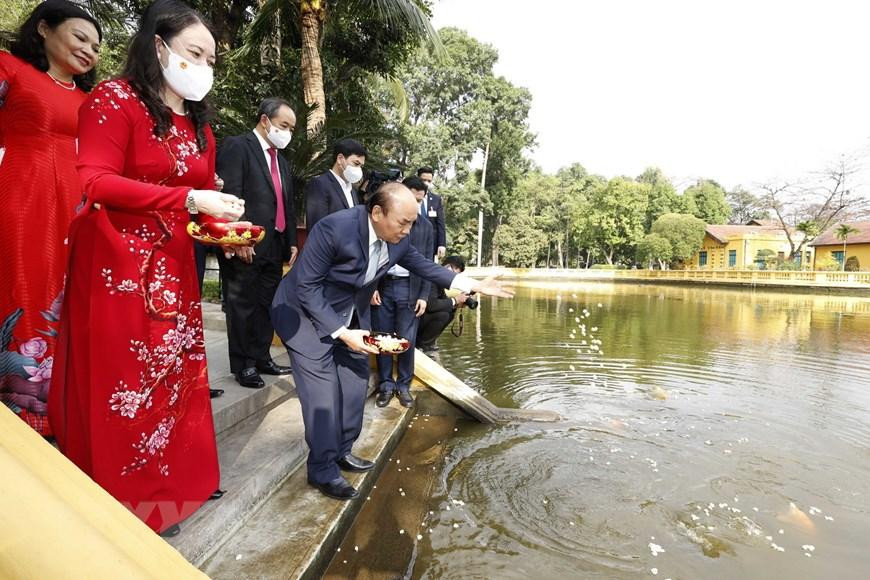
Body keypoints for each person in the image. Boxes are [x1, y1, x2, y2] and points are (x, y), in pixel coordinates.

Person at [48, 0, 245, 537]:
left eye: (210, 59)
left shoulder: (197, 122)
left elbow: (194, 193)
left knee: (174, 377)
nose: (203, 66)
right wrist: (189, 200)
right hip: (119, 263)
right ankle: (129, 498)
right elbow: (93, 181)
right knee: (127, 379)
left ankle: (173, 485)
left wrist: (219, 222)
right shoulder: (114, 100)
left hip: (175, 265)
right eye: (194, 53)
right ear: (159, 46)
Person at [271, 182, 513, 500]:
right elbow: (306, 287)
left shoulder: (397, 239)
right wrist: (342, 333)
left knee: (356, 386)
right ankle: (322, 470)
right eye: (403, 222)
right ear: (376, 212)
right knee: (323, 399)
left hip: (346, 318)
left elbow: (425, 267)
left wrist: (472, 285)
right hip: (301, 317)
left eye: (412, 222)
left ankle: (341, 451)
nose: (408, 230)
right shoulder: (335, 229)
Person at [0, 0, 102, 436]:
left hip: (75, 210)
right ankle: (20, 415)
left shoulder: (90, 99)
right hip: (22, 202)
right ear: (43, 28)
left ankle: (57, 410)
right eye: (81, 37)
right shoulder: (10, 69)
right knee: (24, 289)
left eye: (96, 47)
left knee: (69, 302)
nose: (89, 51)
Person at [216, 97, 298, 388]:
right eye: (283, 125)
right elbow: (231, 198)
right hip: (245, 244)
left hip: (274, 245)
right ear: (265, 120)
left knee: (266, 305)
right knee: (242, 305)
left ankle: (262, 356)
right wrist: (239, 237)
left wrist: (290, 241)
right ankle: (243, 365)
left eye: (291, 128)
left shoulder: (283, 163)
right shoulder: (238, 147)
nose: (287, 132)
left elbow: (286, 204)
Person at [371, 177, 432, 408]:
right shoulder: (386, 220)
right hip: (384, 285)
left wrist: (424, 295)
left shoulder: (425, 226)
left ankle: (403, 385)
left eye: (419, 200)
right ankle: (386, 385)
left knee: (407, 339)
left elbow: (427, 261)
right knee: (383, 338)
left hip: (410, 288)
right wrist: (372, 287)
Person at [304, 138, 366, 230]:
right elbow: (317, 228)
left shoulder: (352, 190)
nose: (358, 169)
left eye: (361, 166)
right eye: (356, 163)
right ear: (340, 159)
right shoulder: (320, 184)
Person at [417, 255, 470, 354]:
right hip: (416, 315)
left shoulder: (439, 281)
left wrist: (456, 304)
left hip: (422, 316)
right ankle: (423, 343)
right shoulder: (432, 279)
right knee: (443, 315)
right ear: (448, 267)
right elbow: (432, 305)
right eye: (454, 275)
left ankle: (427, 342)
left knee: (449, 312)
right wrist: (455, 299)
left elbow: (444, 301)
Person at [417, 166, 446, 259]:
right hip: (413, 241)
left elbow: (440, 224)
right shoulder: (409, 197)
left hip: (430, 243)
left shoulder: (436, 199)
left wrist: (441, 244)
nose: (426, 183)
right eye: (423, 180)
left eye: (429, 181)